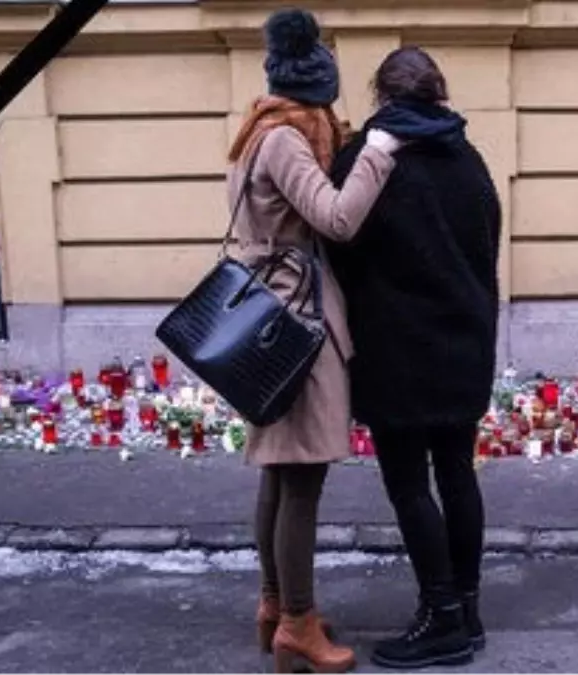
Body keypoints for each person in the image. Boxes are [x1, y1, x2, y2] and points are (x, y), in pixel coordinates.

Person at [224, 8, 403, 674]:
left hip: (268, 315)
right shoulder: (285, 141)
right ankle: (297, 625)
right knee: (301, 478)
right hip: (295, 323)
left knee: (279, 470)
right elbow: (336, 217)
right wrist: (377, 157)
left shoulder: (255, 130)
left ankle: (275, 604)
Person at [328, 46, 502, 670]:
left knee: (408, 482)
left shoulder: (366, 159)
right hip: (464, 339)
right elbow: (488, 247)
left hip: (397, 348)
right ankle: (468, 607)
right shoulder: (469, 159)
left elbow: (336, 241)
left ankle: (442, 617)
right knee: (456, 472)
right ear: (438, 92)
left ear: (383, 95)